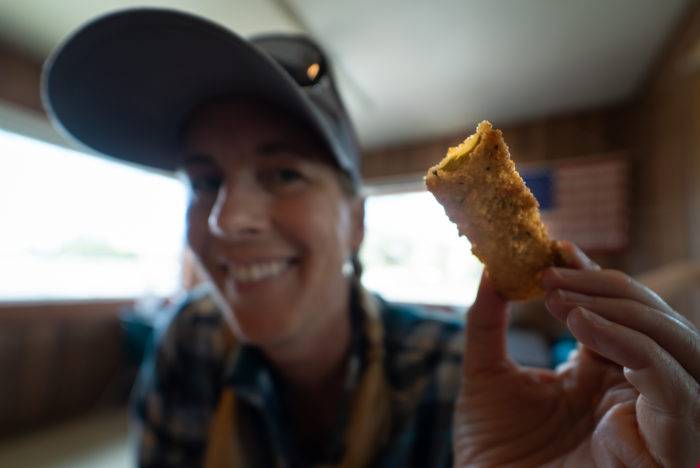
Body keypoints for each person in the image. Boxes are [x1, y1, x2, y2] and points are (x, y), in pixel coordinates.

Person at [42, 8, 699, 468]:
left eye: (283, 173)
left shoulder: (462, 383)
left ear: (355, 221)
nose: (225, 219)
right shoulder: (187, 345)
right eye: (203, 179)